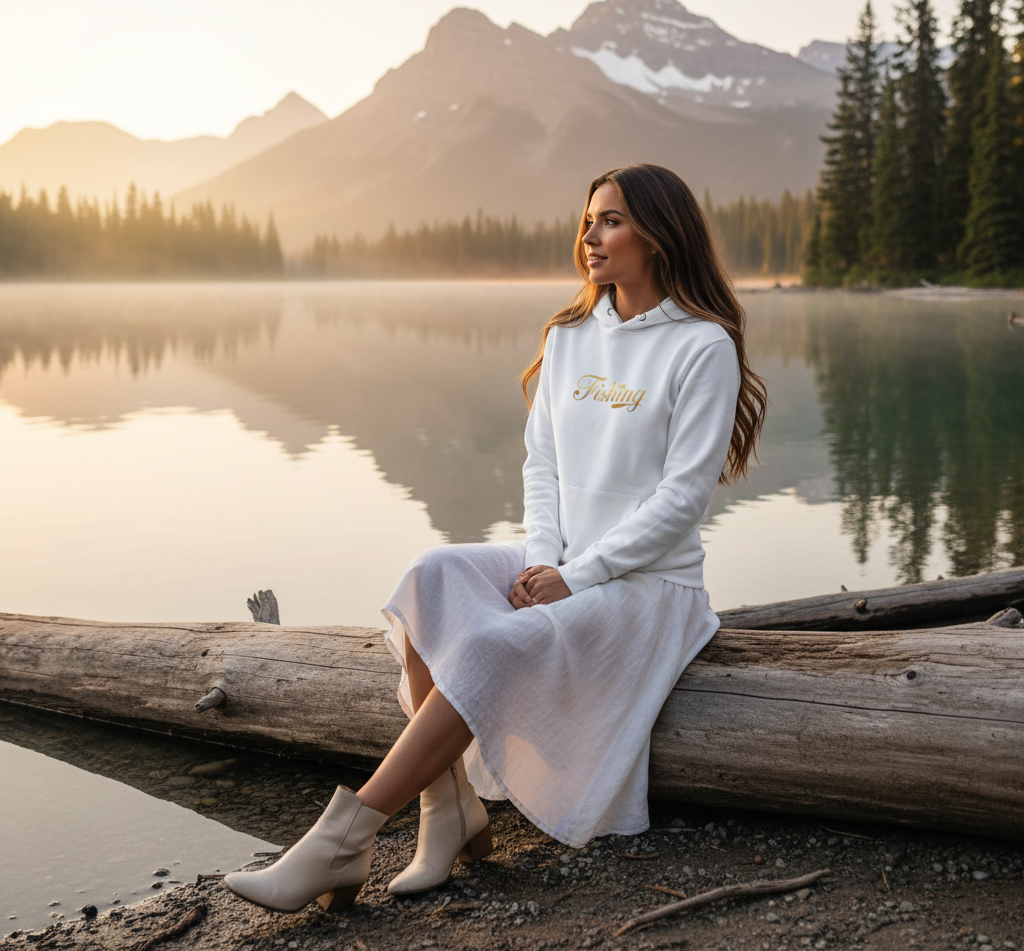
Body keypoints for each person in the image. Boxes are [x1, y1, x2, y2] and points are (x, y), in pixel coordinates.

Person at [222, 163, 767, 913]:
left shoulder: (702, 346)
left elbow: (683, 499)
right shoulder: (572, 336)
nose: (590, 236)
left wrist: (581, 577)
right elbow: (539, 464)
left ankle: (344, 840)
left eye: (610, 220)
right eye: (587, 221)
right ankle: (446, 815)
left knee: (484, 647)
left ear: (659, 235)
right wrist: (545, 557)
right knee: (429, 577)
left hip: (646, 586)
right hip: (562, 559)